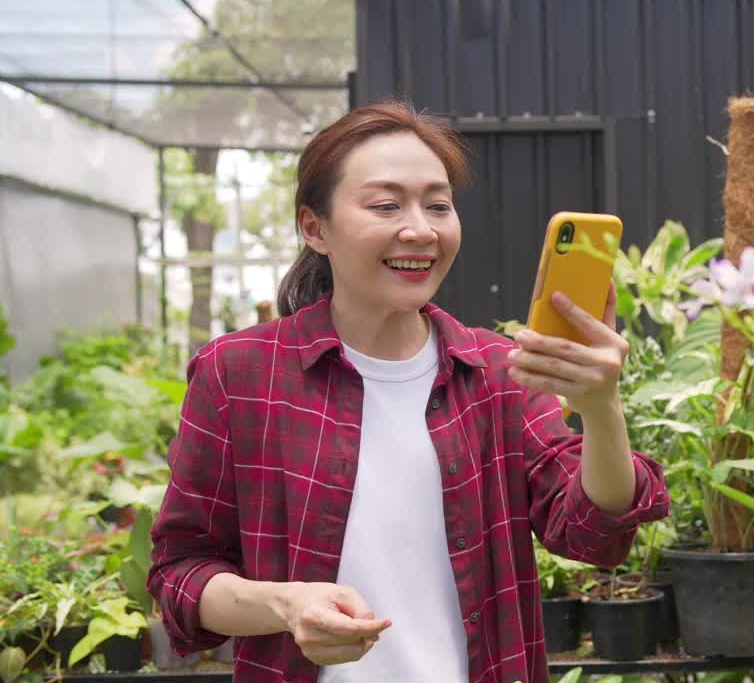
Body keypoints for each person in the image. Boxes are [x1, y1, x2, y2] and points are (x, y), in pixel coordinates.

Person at [146, 101, 670, 683]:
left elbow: (592, 534)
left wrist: (602, 410)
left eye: (439, 205)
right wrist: (284, 605)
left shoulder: (496, 372)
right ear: (314, 228)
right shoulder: (238, 375)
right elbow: (180, 572)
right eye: (386, 204)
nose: (421, 229)